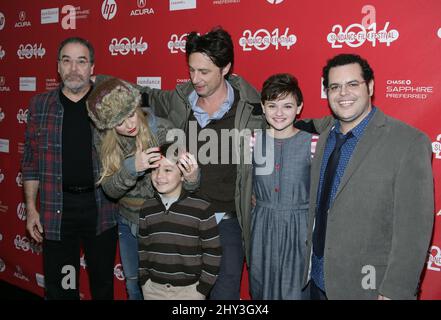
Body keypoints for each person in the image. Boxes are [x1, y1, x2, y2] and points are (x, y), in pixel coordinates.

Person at [95, 26, 266, 299]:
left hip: (227, 220)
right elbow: (135, 94)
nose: (195, 79)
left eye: (204, 72)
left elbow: (282, 137)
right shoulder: (178, 99)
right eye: (191, 70)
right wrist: (95, 81)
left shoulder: (252, 106)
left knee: (225, 295)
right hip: (179, 218)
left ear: (225, 68)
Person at [303, 53, 434, 300]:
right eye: (335, 86)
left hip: (369, 287)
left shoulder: (408, 142)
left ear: (370, 86)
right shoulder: (324, 139)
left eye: (353, 84)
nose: (343, 93)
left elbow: (414, 229)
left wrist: (395, 290)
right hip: (317, 282)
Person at [22, 37, 118, 299]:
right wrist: (31, 208)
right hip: (57, 209)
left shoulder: (108, 105)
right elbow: (30, 161)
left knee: (102, 286)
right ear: (58, 67)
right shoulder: (40, 106)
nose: (74, 68)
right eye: (67, 61)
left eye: (81, 61)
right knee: (62, 288)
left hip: (101, 207)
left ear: (92, 68)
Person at [86, 77, 200, 300]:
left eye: (130, 115)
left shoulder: (164, 129)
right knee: (133, 285)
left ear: (136, 106)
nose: (129, 125)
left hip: (162, 223)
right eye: (119, 122)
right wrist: (133, 167)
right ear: (108, 125)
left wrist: (193, 176)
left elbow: (190, 184)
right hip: (127, 222)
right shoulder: (106, 140)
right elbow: (109, 189)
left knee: (163, 288)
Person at [249, 73, 315, 300]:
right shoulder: (252, 141)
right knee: (261, 287)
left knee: (295, 290)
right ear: (263, 107)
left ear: (299, 108)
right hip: (262, 226)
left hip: (299, 228)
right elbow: (243, 183)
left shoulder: (313, 143)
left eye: (287, 106)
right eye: (272, 105)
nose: (279, 113)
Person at [138, 143, 222, 300]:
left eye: (168, 170)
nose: (159, 176)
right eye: (155, 169)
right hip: (153, 290)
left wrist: (202, 290)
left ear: (183, 174)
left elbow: (213, 252)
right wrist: (144, 281)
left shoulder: (202, 208)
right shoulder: (147, 208)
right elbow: (143, 248)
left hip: (190, 291)